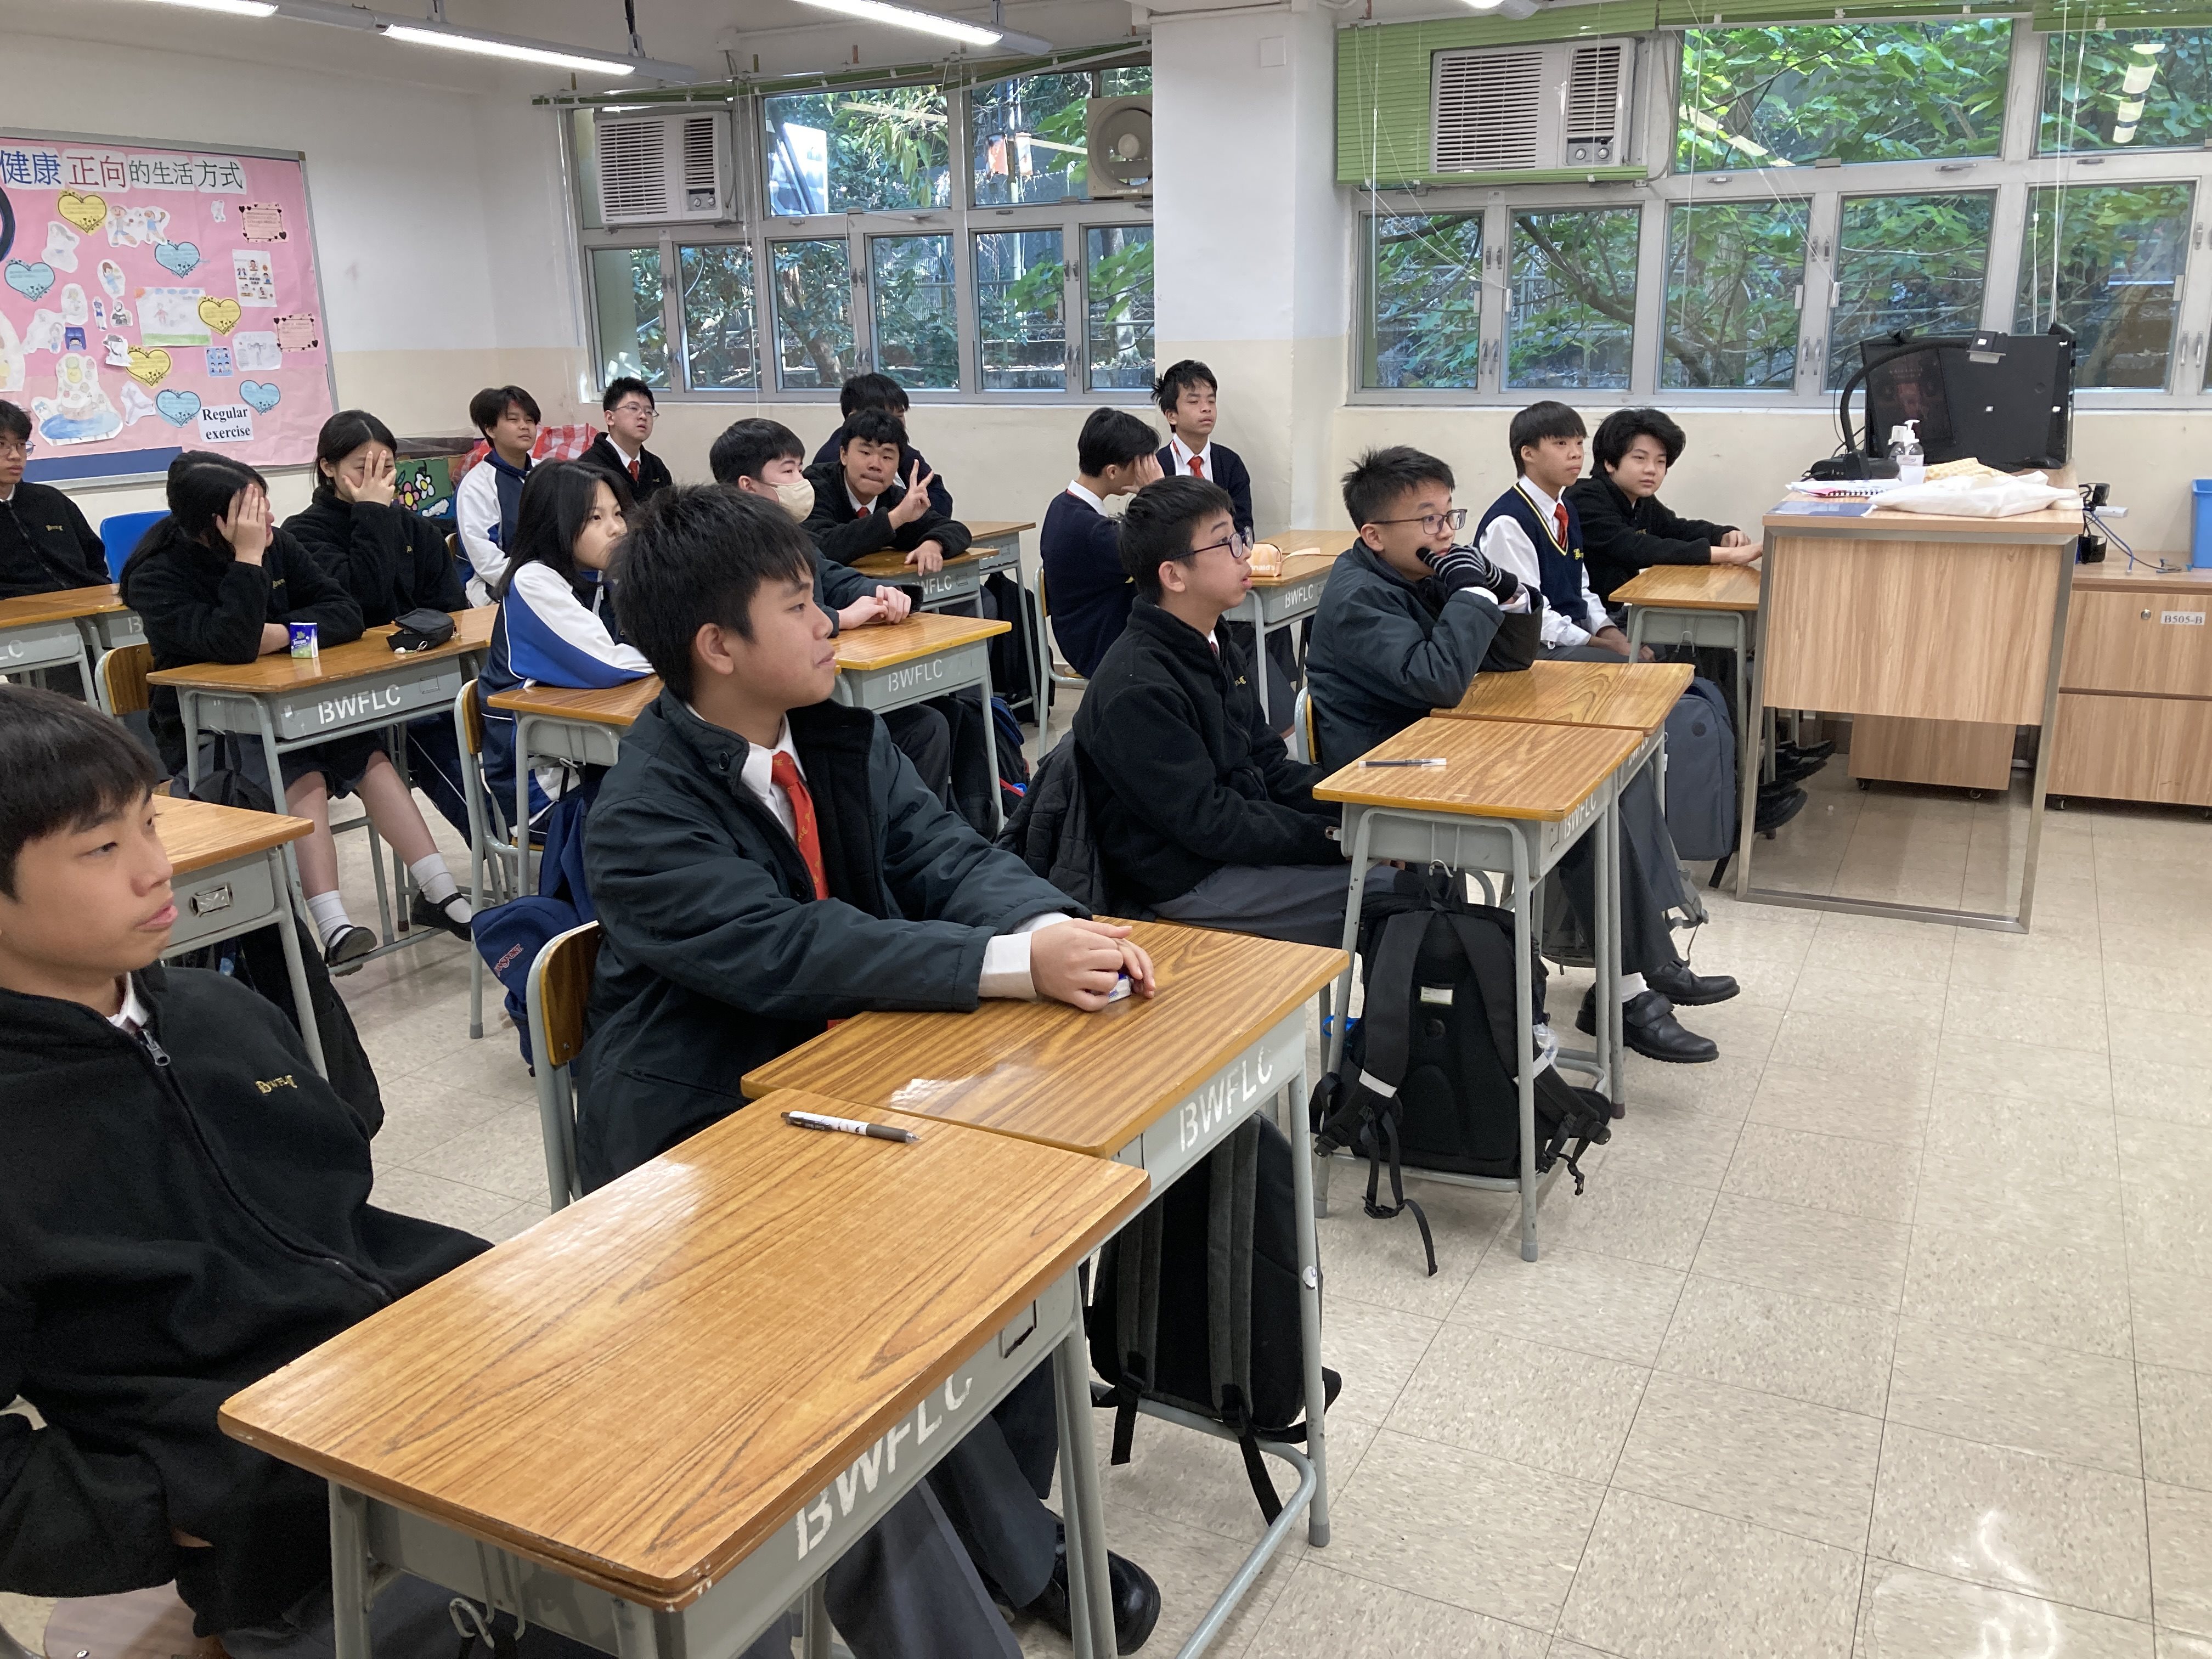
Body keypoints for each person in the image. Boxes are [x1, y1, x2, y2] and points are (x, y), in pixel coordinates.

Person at [0, 685, 993, 1659]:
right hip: (317, 1542)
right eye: (102, 848)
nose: (156, 867)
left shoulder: (221, 1016)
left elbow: (334, 1203)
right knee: (709, 1561)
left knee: (814, 1445)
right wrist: (183, 1502)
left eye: (150, 823)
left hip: (482, 1393)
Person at [574, 484, 1163, 1653]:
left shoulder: (832, 733)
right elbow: (797, 950)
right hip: (704, 1145)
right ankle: (1016, 1561)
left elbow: (945, 853)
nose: (830, 621)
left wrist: (1053, 927)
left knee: (1025, 1237)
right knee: (886, 1330)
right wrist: (1011, 965)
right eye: (801, 606)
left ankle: (1013, 1537)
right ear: (718, 646)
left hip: (849, 1081)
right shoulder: (640, 812)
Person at [1307, 446, 1734, 1066]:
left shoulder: (1413, 571)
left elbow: (1507, 660)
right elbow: (1438, 679)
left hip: (1447, 743)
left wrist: (1508, 594)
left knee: (1607, 778)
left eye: (1450, 515)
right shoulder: (1359, 596)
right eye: (1428, 520)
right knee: (1582, 807)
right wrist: (1471, 595)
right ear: (1374, 535)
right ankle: (1634, 982)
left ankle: (1634, 980)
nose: (1446, 533)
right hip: (1394, 775)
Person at [122, 453, 473, 969]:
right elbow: (231, 641)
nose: (267, 518)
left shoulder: (280, 544)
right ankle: (333, 927)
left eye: (265, 504)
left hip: (295, 704)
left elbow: (346, 613)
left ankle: (441, 892)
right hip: (212, 731)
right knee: (300, 769)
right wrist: (247, 561)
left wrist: (282, 634)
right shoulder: (158, 576)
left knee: (369, 757)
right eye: (252, 510)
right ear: (216, 522)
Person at [1074, 476, 1375, 949]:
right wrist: (1337, 839)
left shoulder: (1213, 642)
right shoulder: (1138, 686)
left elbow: (1268, 764)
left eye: (1241, 537)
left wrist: (1360, 808)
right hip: (1186, 877)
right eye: (1226, 543)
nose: (1245, 553)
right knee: (1389, 895)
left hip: (1228, 846)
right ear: (1174, 576)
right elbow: (1210, 822)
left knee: (1406, 861)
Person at [1479, 401, 1807, 834]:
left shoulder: (1562, 509)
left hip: (1578, 636)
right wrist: (1600, 642)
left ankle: (1731, 795)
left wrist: (1608, 631)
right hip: (1534, 655)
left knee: (1699, 665)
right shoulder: (1511, 521)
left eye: (1578, 443)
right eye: (1561, 444)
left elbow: (1581, 589)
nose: (1575, 454)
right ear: (1528, 453)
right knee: (1663, 679)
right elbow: (1534, 617)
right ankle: (1710, 810)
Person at [708, 417, 953, 803]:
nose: (801, 481)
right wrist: (839, 618)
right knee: (920, 728)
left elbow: (834, 577)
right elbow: (764, 621)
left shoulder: (787, 533)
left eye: (800, 468)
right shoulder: (724, 547)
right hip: (774, 704)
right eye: (789, 471)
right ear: (748, 485)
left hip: (811, 684)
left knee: (940, 717)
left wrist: (882, 593)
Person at [284, 408, 473, 836]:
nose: (377, 480)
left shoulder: (416, 528)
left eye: (386, 468)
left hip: (429, 677)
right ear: (328, 468)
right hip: (362, 697)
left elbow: (452, 608)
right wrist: (371, 512)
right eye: (362, 469)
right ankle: (506, 838)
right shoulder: (303, 534)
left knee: (495, 719)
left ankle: (532, 830)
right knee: (432, 736)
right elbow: (361, 603)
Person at [475, 459, 653, 827]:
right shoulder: (534, 581)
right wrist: (679, 656)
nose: (617, 528)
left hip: (591, 759)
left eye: (618, 514)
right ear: (556, 523)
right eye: (595, 518)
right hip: (544, 788)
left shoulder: (602, 577)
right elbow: (607, 664)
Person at [1568, 407, 1757, 603]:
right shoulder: (1585, 498)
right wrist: (1729, 555)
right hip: (1585, 615)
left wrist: (1721, 536)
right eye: (1640, 458)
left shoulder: (1640, 499)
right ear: (1609, 463)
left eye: (1660, 461)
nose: (1651, 470)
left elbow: (1674, 529)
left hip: (1619, 607)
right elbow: (1635, 548)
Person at [1039, 407, 1159, 679]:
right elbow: (1157, 549)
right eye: (1141, 464)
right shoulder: (1091, 530)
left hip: (1091, 631)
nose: (1145, 472)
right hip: (1100, 644)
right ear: (1113, 472)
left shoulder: (1062, 505)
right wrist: (1156, 492)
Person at [803, 409, 972, 577]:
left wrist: (934, 544)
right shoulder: (815, 486)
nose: (875, 465)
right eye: (866, 453)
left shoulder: (893, 497)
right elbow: (821, 547)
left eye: (887, 457)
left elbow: (956, 530)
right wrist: (896, 518)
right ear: (844, 455)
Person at [0, 399, 108, 599]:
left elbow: (94, 556)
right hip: (21, 611)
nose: (15, 456)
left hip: (85, 602)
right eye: (2, 445)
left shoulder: (50, 499)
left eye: (21, 445)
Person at [810, 371, 953, 518]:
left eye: (899, 416)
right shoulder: (829, 461)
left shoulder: (898, 450)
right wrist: (900, 513)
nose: (894, 424)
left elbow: (941, 499)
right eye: (884, 417)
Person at [454, 385, 541, 605]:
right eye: (513, 420)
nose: (525, 426)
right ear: (490, 430)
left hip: (550, 582)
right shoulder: (477, 486)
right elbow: (488, 563)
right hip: (495, 589)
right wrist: (539, 584)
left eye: (530, 420)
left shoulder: (547, 473)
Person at [1152, 360, 1251, 537]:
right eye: (1194, 401)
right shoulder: (1157, 467)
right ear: (1172, 415)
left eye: (1211, 401)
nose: (1206, 409)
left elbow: (1244, 529)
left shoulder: (1230, 464)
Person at [585, 377, 672, 503]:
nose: (643, 416)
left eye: (648, 412)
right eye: (633, 408)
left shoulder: (656, 467)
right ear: (610, 418)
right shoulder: (588, 468)